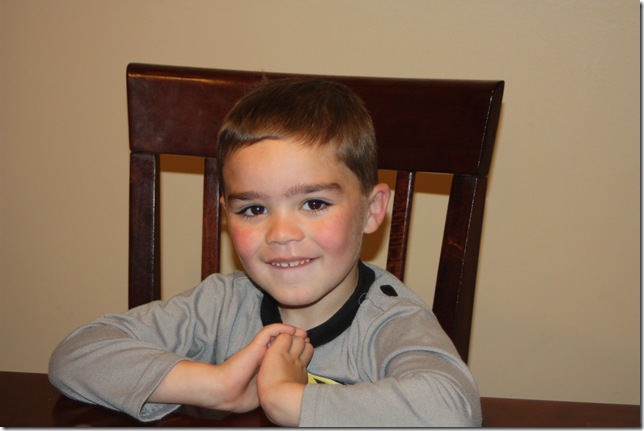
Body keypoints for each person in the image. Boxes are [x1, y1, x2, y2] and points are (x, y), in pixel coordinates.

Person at [49, 77, 482, 427]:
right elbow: (77, 355)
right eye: (254, 209)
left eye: (314, 203)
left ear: (372, 210)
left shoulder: (392, 322)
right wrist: (214, 386)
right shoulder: (220, 305)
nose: (281, 233)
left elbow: (455, 410)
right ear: (226, 216)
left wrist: (286, 400)